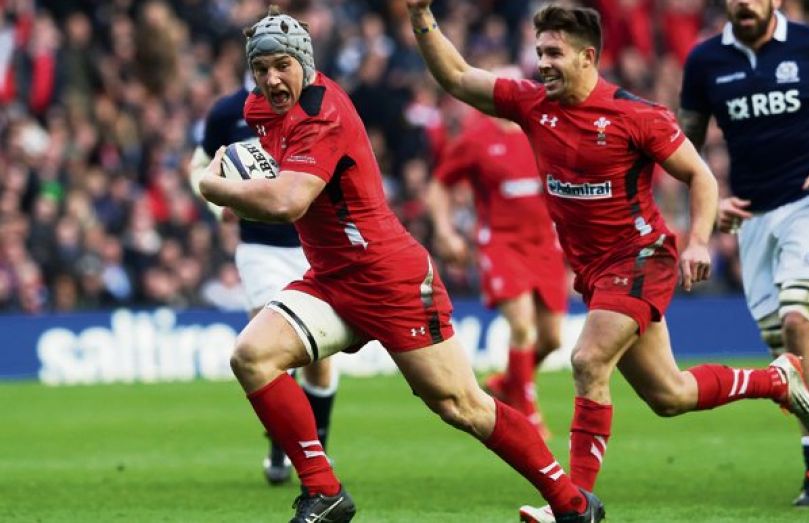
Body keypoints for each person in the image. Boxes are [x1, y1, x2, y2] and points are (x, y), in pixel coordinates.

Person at [406, 1, 809, 520]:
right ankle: (776, 380)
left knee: (587, 360)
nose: (542, 63)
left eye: (554, 53)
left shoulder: (636, 115)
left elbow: (700, 175)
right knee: (669, 394)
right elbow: (456, 76)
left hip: (641, 257)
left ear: (588, 57)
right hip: (595, 272)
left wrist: (698, 240)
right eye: (540, 52)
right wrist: (421, 15)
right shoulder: (532, 105)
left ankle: (573, 503)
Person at [198, 6, 604, 522]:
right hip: (332, 279)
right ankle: (324, 491)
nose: (272, 79)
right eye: (261, 69)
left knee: (462, 405)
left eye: (283, 65)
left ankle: (571, 503)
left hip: (389, 279)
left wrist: (216, 187)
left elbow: (288, 202)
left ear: (305, 62)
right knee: (252, 356)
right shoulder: (258, 108)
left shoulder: (324, 112)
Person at [678, 0, 809, 505]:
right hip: (751, 220)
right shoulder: (705, 61)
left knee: (797, 322)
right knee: (790, 360)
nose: (744, 3)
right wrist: (710, 204)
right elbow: (682, 147)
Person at [190, 73, 339, 486]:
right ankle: (282, 443)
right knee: (268, 347)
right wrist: (216, 202)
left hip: (314, 246)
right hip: (260, 248)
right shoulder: (227, 111)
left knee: (319, 362)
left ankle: (317, 447)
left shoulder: (313, 106)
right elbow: (199, 164)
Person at [426, 91, 567, 440]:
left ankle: (507, 383)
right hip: (501, 244)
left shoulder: (542, 132)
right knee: (522, 327)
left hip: (545, 246)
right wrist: (445, 231)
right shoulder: (475, 139)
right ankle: (527, 413)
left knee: (551, 339)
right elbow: (439, 186)